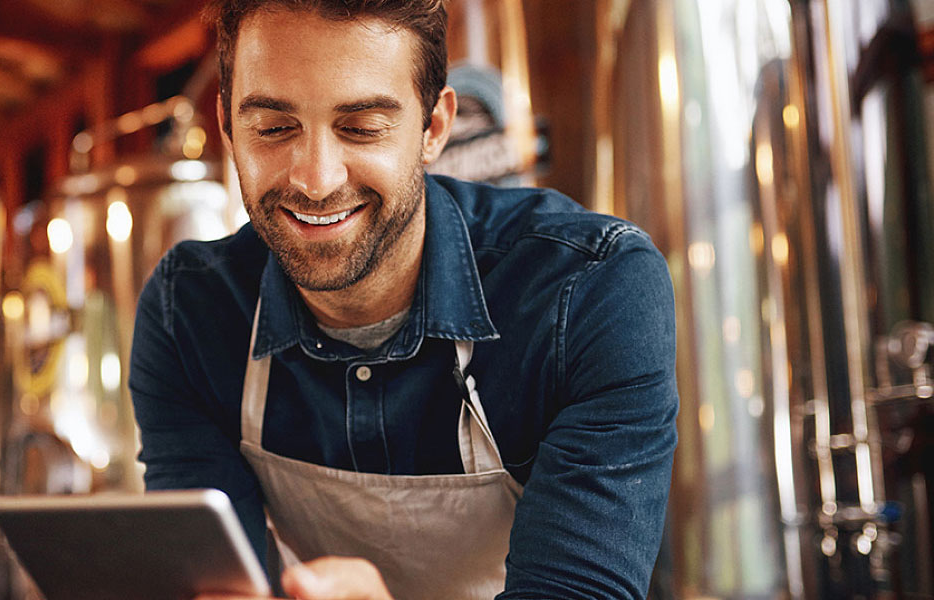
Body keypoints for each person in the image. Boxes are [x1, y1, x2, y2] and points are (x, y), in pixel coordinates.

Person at [128, 1, 678, 598]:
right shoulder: (189, 314)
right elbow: (217, 583)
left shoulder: (589, 293)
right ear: (228, 123)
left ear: (433, 127)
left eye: (361, 127)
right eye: (273, 128)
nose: (316, 179)